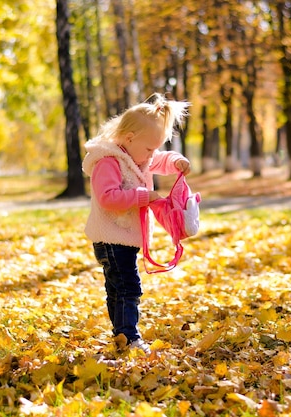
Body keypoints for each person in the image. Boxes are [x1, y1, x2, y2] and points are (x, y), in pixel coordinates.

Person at [82, 93, 191, 355]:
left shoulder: (137, 154)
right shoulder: (108, 162)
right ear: (129, 139)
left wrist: (176, 160)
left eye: (156, 148)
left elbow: (159, 160)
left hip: (124, 237)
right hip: (111, 239)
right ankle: (129, 336)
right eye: (149, 149)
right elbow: (108, 198)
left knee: (119, 288)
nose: (152, 155)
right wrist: (143, 197)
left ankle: (122, 334)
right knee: (127, 287)